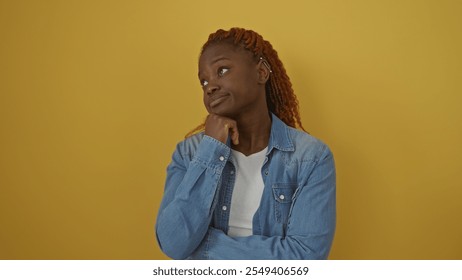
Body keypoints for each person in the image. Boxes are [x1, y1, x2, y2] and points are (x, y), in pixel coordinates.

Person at [155, 27, 336, 260]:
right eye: (203, 81)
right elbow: (173, 244)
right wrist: (211, 149)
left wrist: (202, 247)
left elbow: (306, 257)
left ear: (261, 72)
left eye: (222, 70)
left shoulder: (310, 157)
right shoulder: (189, 153)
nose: (210, 86)